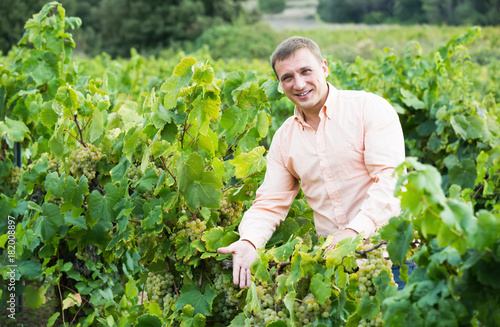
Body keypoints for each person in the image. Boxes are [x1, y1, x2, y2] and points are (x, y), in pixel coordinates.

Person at [217, 36, 405, 289]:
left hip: (390, 262)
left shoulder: (368, 109)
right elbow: (270, 202)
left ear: (324, 68)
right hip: (335, 273)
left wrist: (353, 233)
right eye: (287, 77)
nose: (299, 83)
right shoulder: (284, 138)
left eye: (306, 71)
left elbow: (390, 182)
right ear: (280, 84)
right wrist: (249, 241)